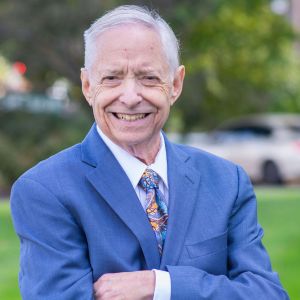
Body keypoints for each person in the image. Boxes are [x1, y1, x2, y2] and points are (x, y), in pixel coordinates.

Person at [10, 5, 289, 300]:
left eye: (148, 77)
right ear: (88, 85)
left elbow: (268, 294)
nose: (130, 97)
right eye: (112, 78)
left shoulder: (226, 181)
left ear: (176, 84)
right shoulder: (44, 191)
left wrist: (162, 286)